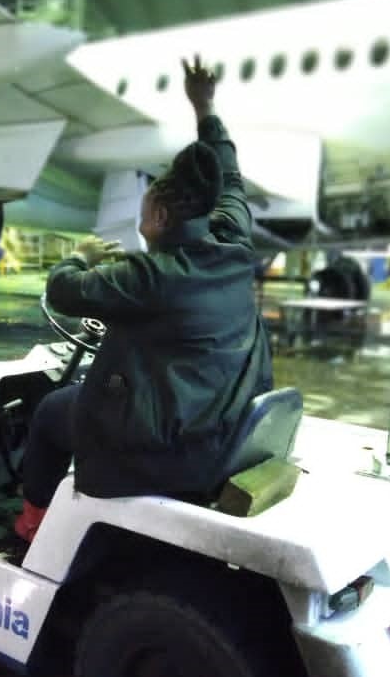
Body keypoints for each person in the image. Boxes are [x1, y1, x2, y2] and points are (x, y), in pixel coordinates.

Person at [14, 56, 273, 542]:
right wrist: (205, 108)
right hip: (218, 425)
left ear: (157, 216)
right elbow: (230, 175)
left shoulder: (151, 276)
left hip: (169, 452)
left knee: (50, 413)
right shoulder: (234, 242)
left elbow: (62, 291)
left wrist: (80, 256)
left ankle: (32, 523)